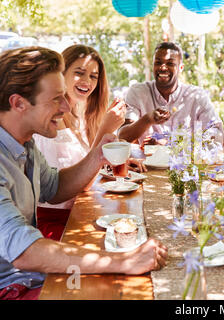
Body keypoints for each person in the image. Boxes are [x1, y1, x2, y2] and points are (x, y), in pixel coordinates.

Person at [0, 46, 167, 300]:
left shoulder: (25, 144)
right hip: (12, 287)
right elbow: (24, 252)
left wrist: (99, 155)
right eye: (56, 98)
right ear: (18, 103)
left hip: (31, 276)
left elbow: (55, 187)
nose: (66, 107)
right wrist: (123, 259)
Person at [32, 44, 142, 241]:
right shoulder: (50, 124)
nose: (87, 81)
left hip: (79, 212)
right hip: (56, 224)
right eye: (79, 72)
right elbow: (79, 185)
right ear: (61, 74)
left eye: (93, 76)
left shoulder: (77, 116)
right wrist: (106, 130)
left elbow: (84, 163)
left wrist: (115, 160)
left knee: (135, 226)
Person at [118, 41, 224, 146]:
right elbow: (122, 137)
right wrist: (148, 119)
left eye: (170, 63)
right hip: (146, 163)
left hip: (187, 163)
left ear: (180, 68)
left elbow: (218, 137)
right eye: (158, 62)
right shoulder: (138, 92)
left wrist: (170, 144)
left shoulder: (197, 96)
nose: (163, 67)